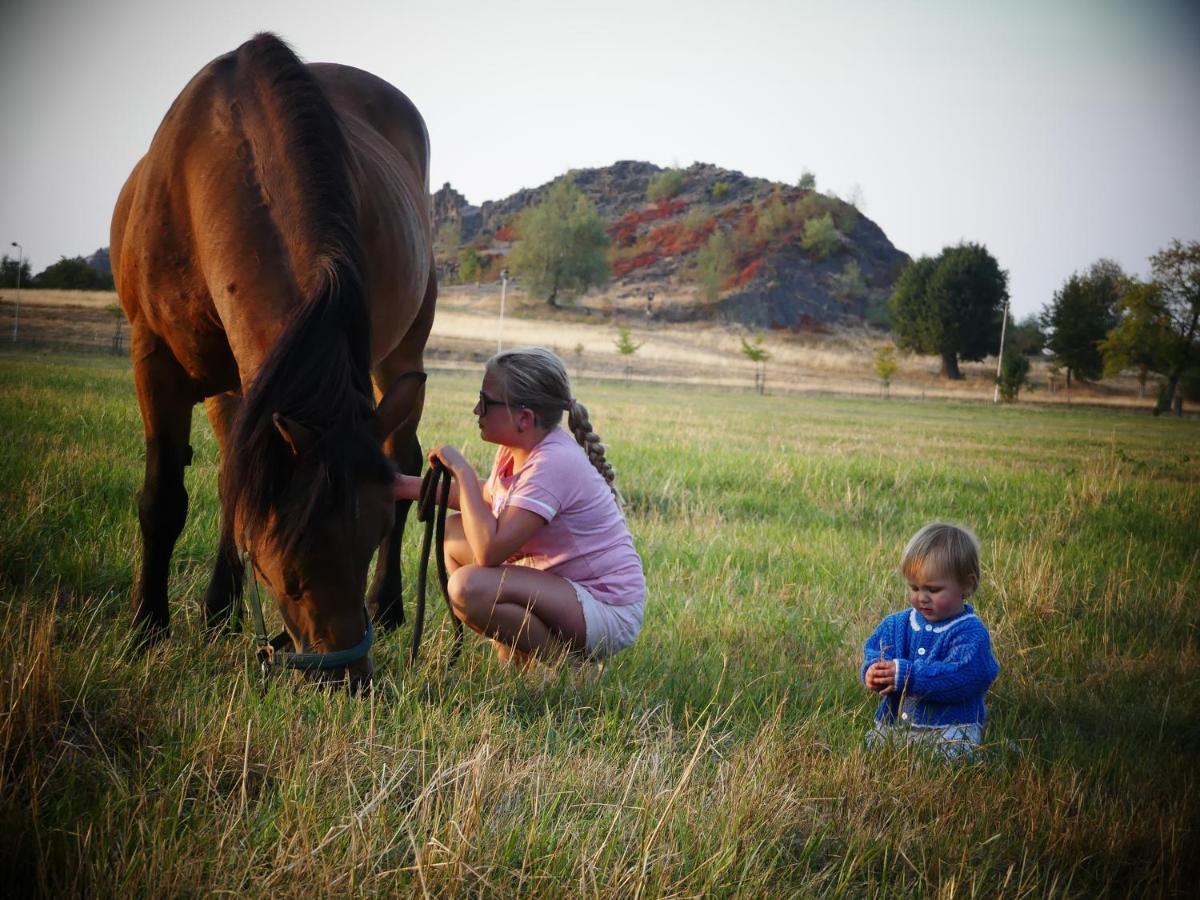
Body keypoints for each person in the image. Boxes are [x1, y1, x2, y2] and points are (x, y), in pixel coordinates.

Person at [394, 347, 645, 665]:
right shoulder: (519, 449)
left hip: (606, 609)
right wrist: (404, 486)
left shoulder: (552, 463)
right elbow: (490, 498)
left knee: (469, 587)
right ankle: (515, 653)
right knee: (457, 532)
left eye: (486, 402)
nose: (476, 410)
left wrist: (464, 471)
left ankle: (568, 671)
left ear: (524, 418)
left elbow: (489, 551)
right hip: (564, 591)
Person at [860, 522, 1000, 758]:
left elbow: (963, 677)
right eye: (914, 588)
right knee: (873, 747)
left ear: (967, 584)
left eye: (933, 590)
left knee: (951, 757)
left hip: (951, 728)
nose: (921, 597)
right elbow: (875, 651)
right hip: (896, 724)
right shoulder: (897, 624)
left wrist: (908, 677)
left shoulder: (970, 632)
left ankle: (990, 753)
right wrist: (873, 671)